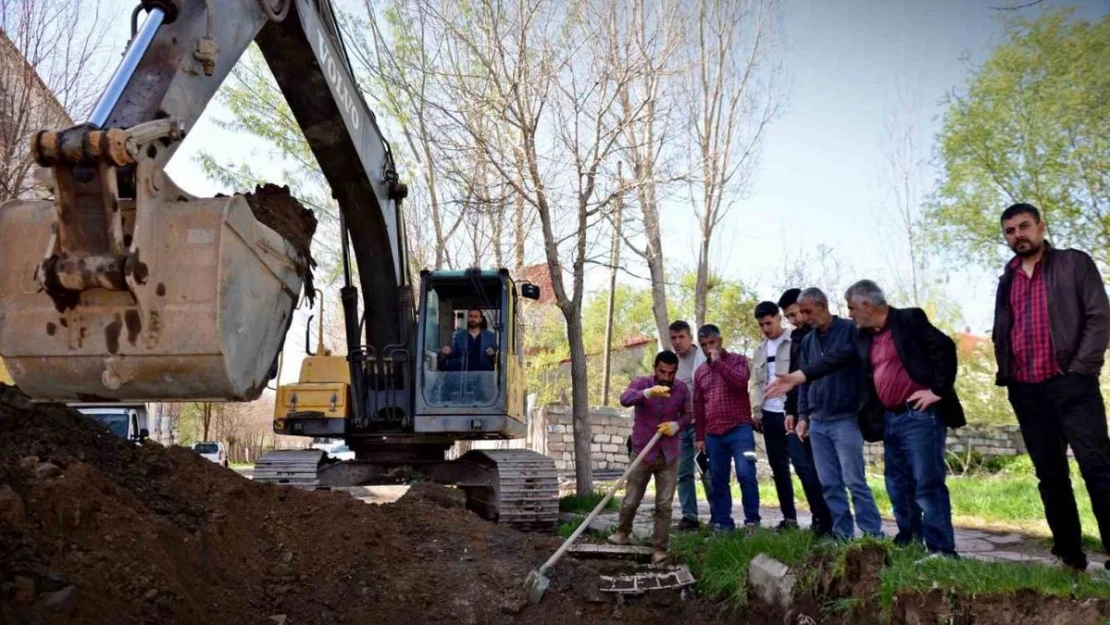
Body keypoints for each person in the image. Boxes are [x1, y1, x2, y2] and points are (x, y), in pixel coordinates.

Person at [769, 281, 964, 556]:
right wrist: (800, 380)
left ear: (867, 306)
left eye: (851, 307)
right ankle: (909, 541)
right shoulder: (864, 335)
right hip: (891, 418)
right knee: (897, 484)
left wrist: (938, 390)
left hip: (919, 416)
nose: (849, 313)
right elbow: (837, 358)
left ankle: (943, 551)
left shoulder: (908, 319)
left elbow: (945, 347)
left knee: (926, 484)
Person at [993, 202, 1110, 572]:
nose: (1018, 236)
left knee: (1098, 468)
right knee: (1050, 475)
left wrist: (1080, 371)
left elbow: (1099, 315)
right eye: (1010, 231)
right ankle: (1069, 557)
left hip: (1072, 385)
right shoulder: (1007, 279)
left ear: (1041, 227)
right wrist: (1008, 377)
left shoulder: (1073, 263)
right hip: (1028, 392)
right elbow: (1004, 331)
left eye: (1024, 227)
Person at [790, 288, 883, 539]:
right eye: (802, 313)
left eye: (808, 311)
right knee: (830, 485)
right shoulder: (808, 341)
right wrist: (802, 416)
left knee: (855, 481)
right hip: (818, 422)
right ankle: (842, 535)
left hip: (846, 419)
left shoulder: (850, 331)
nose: (805, 317)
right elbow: (805, 379)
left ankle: (873, 535)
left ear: (823, 306)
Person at [751, 300, 831, 534]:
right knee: (778, 468)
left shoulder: (795, 341)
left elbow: (801, 376)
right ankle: (789, 518)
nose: (766, 328)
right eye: (761, 324)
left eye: (769, 322)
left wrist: (795, 411)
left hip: (792, 414)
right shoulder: (759, 350)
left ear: (778, 318)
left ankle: (820, 517)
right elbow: (757, 382)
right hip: (769, 414)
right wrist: (757, 410)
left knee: (804, 466)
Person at [610, 350, 691, 564]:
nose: (666, 377)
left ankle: (659, 549)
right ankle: (622, 533)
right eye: (662, 371)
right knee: (631, 499)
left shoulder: (682, 389)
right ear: (655, 368)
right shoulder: (642, 382)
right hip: (643, 451)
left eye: (671, 373)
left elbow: (689, 416)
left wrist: (677, 425)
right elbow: (624, 399)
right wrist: (647, 393)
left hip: (669, 455)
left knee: (664, 504)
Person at [778, 288, 834, 537]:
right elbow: (794, 378)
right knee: (803, 469)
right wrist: (791, 410)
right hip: (799, 412)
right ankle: (819, 519)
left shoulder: (826, 335)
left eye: (797, 314)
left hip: (824, 412)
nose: (795, 320)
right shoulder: (797, 340)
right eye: (789, 316)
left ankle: (833, 524)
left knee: (826, 472)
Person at [693, 324, 759, 531]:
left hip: (740, 428)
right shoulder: (700, 372)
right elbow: (698, 406)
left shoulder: (739, 361)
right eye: (704, 345)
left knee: (746, 474)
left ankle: (752, 522)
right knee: (719, 479)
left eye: (712, 343)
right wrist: (700, 436)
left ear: (720, 341)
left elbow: (740, 383)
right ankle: (723, 523)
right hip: (713, 434)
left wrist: (719, 363)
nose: (708, 348)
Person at [669, 320, 712, 531]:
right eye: (673, 338)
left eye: (681, 337)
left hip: (702, 425)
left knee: (707, 471)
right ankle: (689, 516)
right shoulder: (672, 364)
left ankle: (718, 515)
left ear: (690, 337)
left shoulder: (702, 358)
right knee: (683, 473)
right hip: (681, 427)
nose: (677, 342)